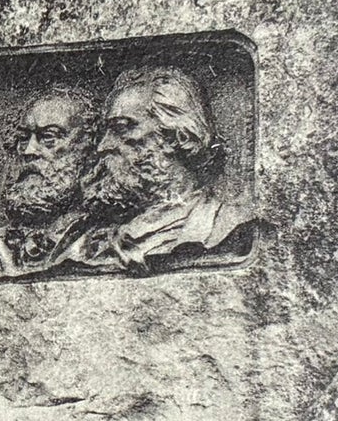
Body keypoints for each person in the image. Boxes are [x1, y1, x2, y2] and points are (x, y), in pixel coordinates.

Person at [63, 65, 252, 273]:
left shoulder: (226, 225)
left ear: (177, 136)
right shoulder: (91, 241)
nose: (102, 146)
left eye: (121, 127)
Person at [0, 84, 98, 278]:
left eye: (48, 137)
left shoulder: (105, 243)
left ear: (90, 147)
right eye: (23, 138)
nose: (28, 150)